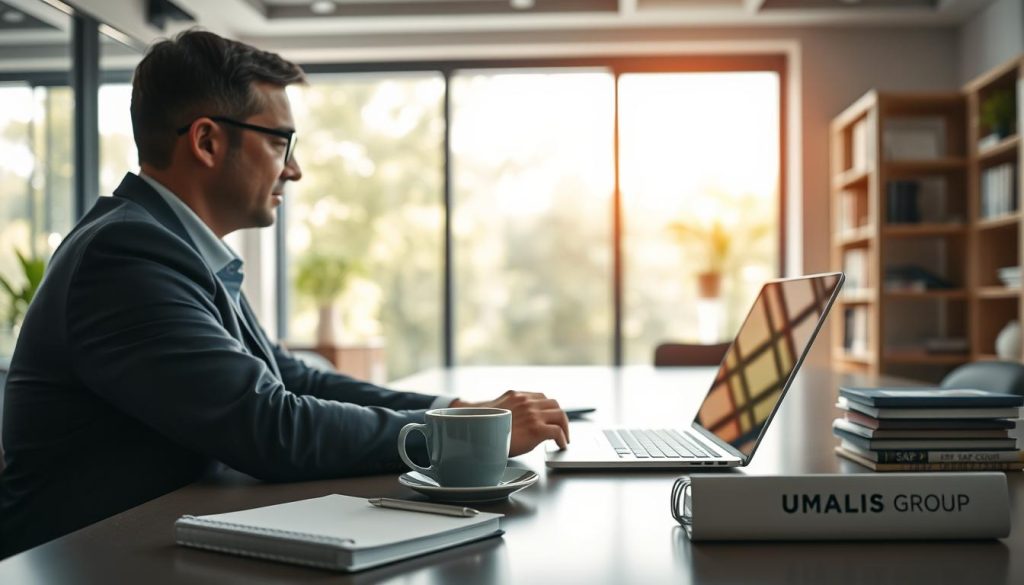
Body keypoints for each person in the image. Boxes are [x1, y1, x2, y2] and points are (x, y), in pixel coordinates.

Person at [0, 29, 569, 558]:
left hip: (155, 541)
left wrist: (452, 411)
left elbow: (293, 378)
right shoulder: (126, 255)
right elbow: (268, 425)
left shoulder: (173, 245)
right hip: (84, 560)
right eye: (281, 142)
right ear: (206, 141)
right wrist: (456, 436)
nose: (293, 170)